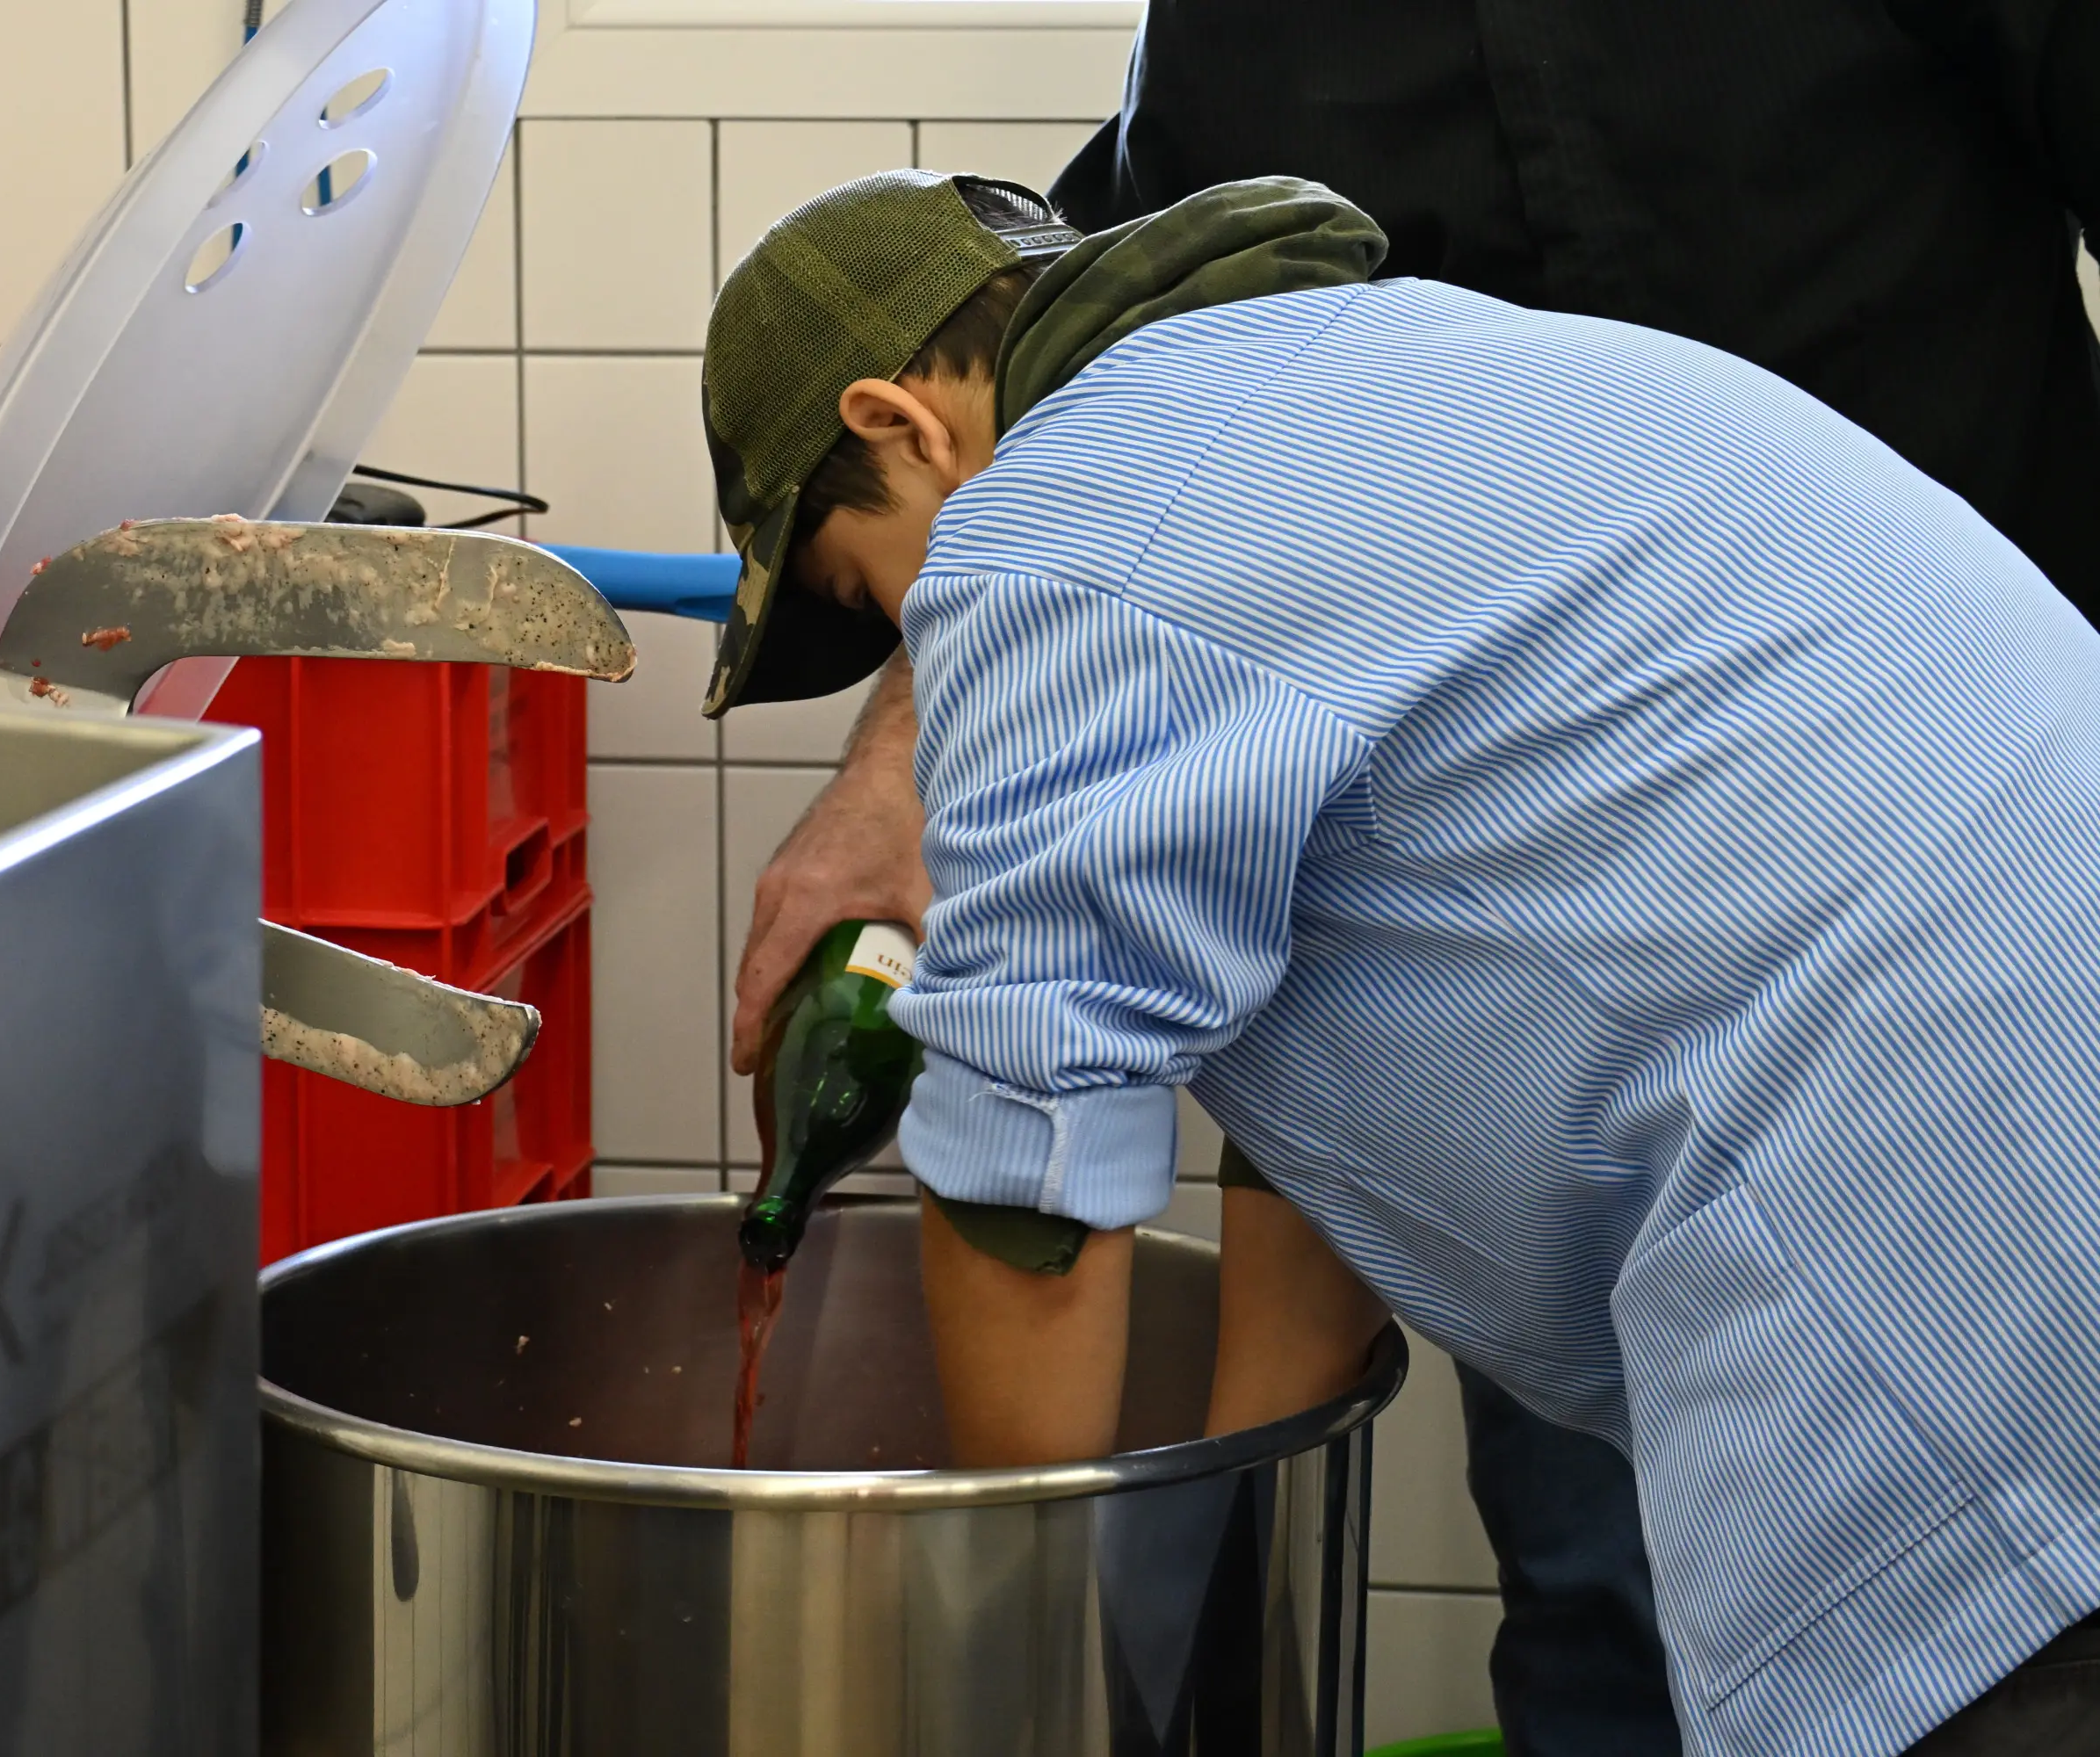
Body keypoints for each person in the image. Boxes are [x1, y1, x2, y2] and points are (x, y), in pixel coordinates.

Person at [731, 12, 2100, 1749]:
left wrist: (1035, 1667)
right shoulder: (1362, 375)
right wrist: (1216, 1563)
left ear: (900, 424)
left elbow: (1025, 1159)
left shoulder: (1066, 525)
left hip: (1942, 1255)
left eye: (864, 597)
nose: (913, 644)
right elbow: (1312, 1099)